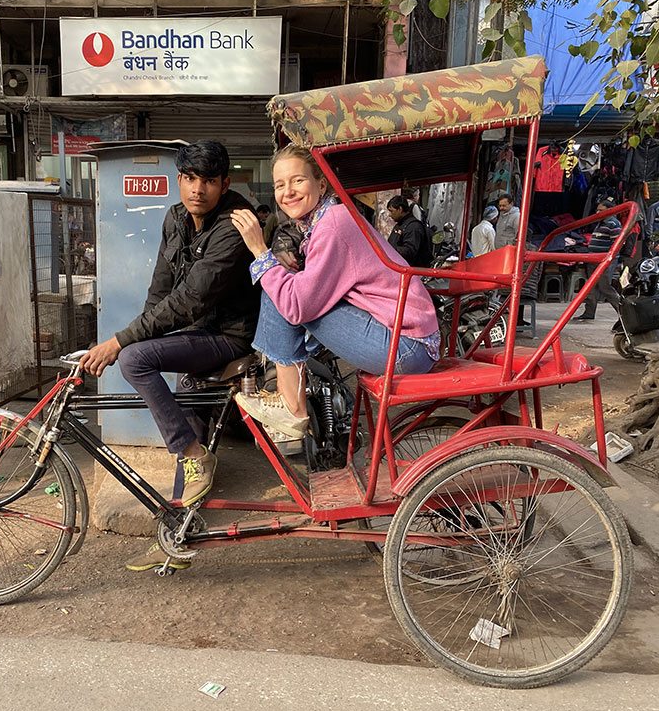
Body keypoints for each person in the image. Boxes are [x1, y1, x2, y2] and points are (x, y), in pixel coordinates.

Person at [78, 141, 260, 571]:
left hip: (230, 338)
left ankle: (195, 456)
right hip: (196, 335)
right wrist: (142, 334)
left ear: (224, 184)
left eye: (209, 181)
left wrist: (124, 342)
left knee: (134, 363)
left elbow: (193, 298)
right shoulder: (175, 218)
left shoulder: (234, 225)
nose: (198, 189)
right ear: (180, 180)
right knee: (188, 423)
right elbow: (160, 290)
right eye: (190, 179)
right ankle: (179, 536)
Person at [229, 145, 439, 441]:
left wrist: (259, 250)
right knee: (281, 281)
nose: (288, 191)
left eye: (298, 181)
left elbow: (297, 305)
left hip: (405, 346)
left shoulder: (334, 224)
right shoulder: (328, 219)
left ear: (321, 183)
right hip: (407, 340)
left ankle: (291, 406)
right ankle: (292, 397)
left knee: (279, 292)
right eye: (279, 184)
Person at [576, 199, 623, 321]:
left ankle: (624, 313)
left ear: (610, 210)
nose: (598, 212)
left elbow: (617, 244)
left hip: (605, 261)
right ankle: (589, 312)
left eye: (601, 210)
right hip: (594, 259)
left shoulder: (614, 224)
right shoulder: (600, 223)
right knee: (591, 287)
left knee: (604, 287)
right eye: (597, 210)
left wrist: (609, 258)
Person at [385, 195, 432, 268]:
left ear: (400, 209)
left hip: (413, 272)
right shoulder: (399, 225)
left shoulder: (414, 227)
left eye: (391, 211)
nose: (389, 215)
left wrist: (390, 250)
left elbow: (409, 251)